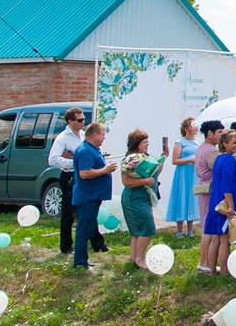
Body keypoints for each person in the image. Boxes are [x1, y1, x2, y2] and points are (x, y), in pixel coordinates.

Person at [55, 108, 108, 258]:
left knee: (88, 214)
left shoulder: (85, 136)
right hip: (69, 177)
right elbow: (53, 159)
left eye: (84, 120)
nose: (83, 122)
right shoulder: (62, 138)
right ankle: (66, 246)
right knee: (68, 214)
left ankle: (97, 243)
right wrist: (75, 162)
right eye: (79, 120)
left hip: (83, 179)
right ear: (70, 121)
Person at [70, 122, 117, 271]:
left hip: (92, 196)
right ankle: (79, 262)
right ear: (95, 134)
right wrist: (105, 170)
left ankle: (83, 260)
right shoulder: (85, 151)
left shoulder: (92, 149)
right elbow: (85, 173)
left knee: (89, 228)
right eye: (102, 134)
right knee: (84, 229)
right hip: (87, 197)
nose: (104, 138)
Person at [117, 128, 162, 271]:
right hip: (134, 198)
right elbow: (126, 181)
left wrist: (162, 159)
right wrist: (144, 181)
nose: (147, 144)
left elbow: (154, 173)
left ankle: (133, 257)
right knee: (147, 229)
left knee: (138, 230)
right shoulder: (130, 160)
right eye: (144, 142)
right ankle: (140, 258)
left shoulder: (146, 157)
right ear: (136, 143)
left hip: (143, 197)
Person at [202, 130, 236, 274]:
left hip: (215, 201)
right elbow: (227, 185)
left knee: (215, 239)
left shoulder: (219, 159)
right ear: (224, 143)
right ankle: (225, 271)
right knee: (223, 240)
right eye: (234, 142)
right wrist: (231, 206)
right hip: (224, 203)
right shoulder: (228, 160)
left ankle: (212, 270)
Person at [165, 117, 200, 238]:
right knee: (182, 197)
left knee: (191, 197)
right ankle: (179, 230)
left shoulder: (198, 142)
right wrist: (189, 160)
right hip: (183, 174)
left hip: (194, 174)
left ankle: (190, 229)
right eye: (192, 125)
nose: (195, 127)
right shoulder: (180, 142)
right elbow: (175, 160)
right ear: (186, 128)